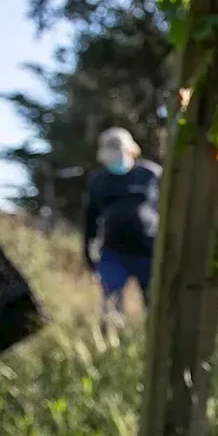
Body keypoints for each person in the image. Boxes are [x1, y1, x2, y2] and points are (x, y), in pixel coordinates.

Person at [82, 127, 161, 326]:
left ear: (131, 151)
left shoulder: (151, 175)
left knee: (156, 305)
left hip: (149, 251)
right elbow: (90, 218)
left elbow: (171, 210)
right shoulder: (98, 181)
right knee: (110, 307)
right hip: (114, 252)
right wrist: (87, 250)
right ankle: (113, 348)